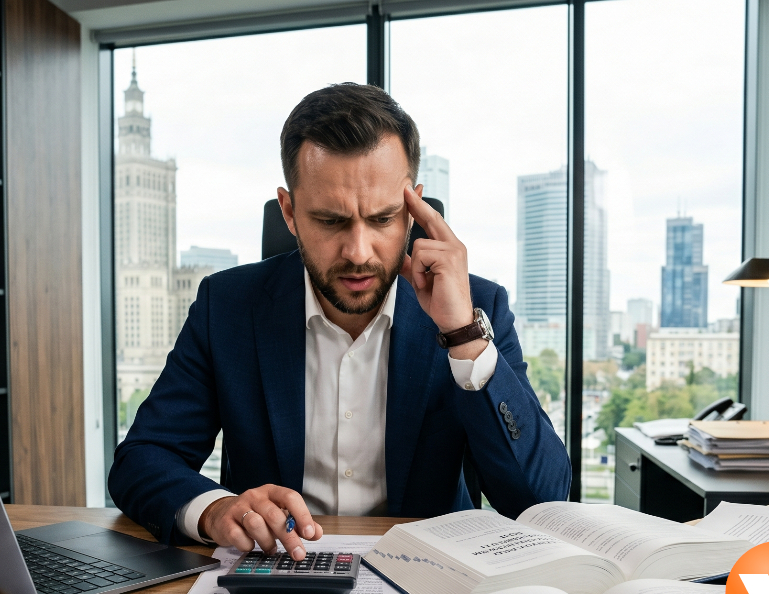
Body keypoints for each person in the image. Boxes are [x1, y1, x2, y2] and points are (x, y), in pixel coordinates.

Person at [109, 83, 570, 561]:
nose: (358, 252)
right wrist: (215, 509)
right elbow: (142, 459)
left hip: (427, 578)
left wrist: (464, 337)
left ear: (414, 210)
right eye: (331, 221)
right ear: (289, 212)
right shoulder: (227, 306)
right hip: (273, 575)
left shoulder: (477, 308)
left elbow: (541, 500)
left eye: (383, 219)